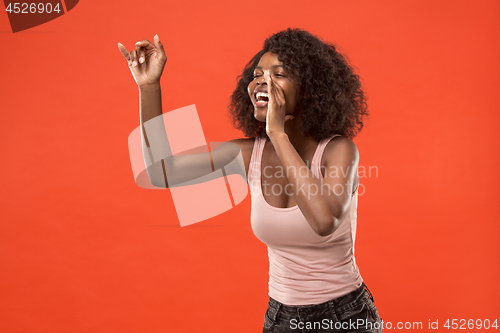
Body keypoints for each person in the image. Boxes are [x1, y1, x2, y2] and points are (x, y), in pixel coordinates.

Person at [118, 28, 382, 333]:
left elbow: (324, 221)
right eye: (257, 74)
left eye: (278, 73)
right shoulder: (248, 155)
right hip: (281, 318)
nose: (262, 81)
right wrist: (149, 86)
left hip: (344, 317)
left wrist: (277, 133)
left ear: (310, 90)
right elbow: (161, 171)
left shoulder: (339, 151)